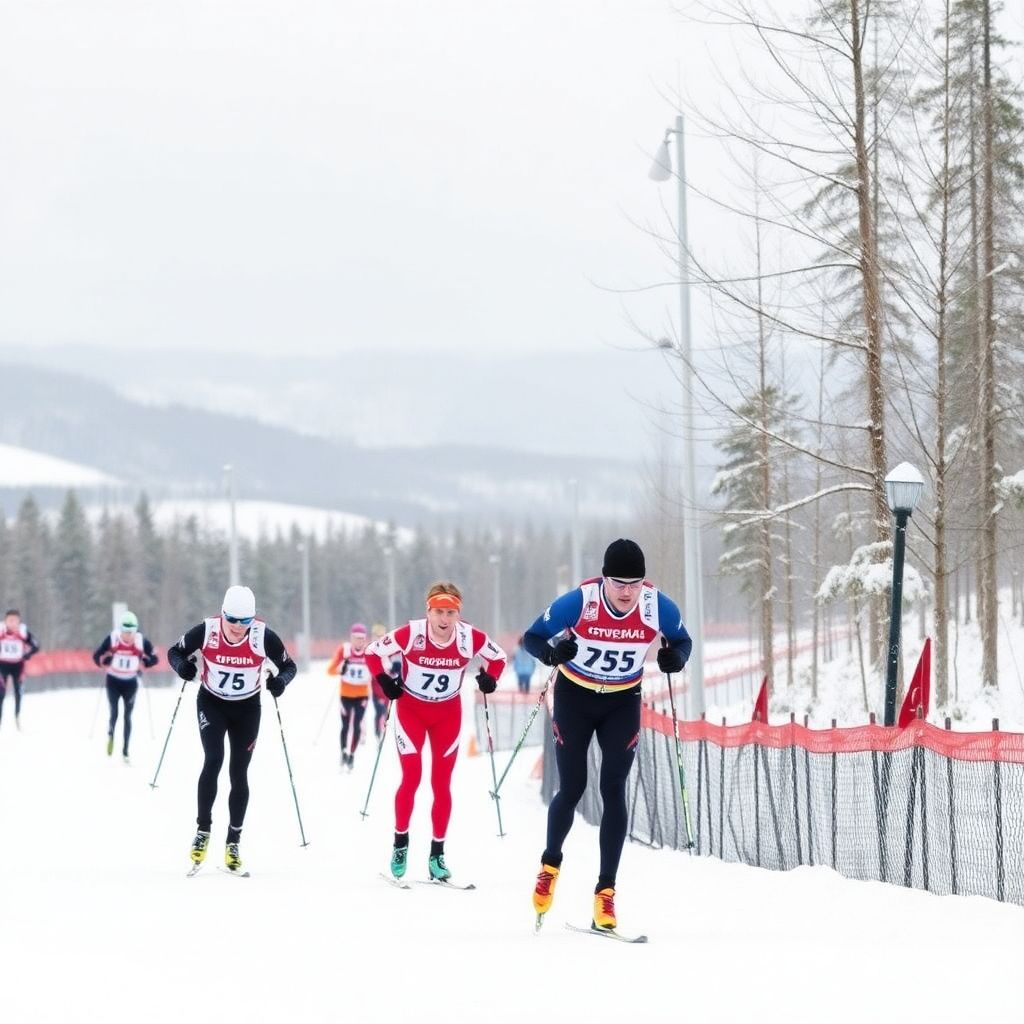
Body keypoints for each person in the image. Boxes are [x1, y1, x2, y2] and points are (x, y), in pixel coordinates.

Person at [522, 539, 691, 932]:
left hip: (622, 702)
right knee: (572, 787)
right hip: (575, 698)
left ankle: (605, 893)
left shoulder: (658, 607)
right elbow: (532, 636)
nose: (627, 592)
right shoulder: (579, 602)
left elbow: (684, 641)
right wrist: (552, 654)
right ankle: (550, 866)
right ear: (604, 579)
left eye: (635, 583)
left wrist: (677, 658)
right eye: (619, 583)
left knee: (613, 789)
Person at [364, 582, 507, 883]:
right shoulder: (411, 633)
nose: (444, 619)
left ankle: (437, 855)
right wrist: (384, 680)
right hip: (411, 712)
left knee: (441, 784)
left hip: (447, 716)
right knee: (412, 777)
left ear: (458, 614)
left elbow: (499, 658)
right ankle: (400, 844)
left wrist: (490, 679)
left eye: (450, 613)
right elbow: (372, 652)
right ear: (428, 611)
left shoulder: (469, 637)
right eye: (439, 612)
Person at [167, 585, 297, 874]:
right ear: (223, 614)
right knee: (213, 759)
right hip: (211, 703)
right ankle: (203, 830)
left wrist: (280, 682)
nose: (238, 627)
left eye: (245, 621)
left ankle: (233, 842)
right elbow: (174, 652)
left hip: (247, 709)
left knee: (239, 772)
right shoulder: (207, 631)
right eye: (232, 620)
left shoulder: (264, 636)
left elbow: (290, 667)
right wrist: (182, 667)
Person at [91, 610, 159, 762]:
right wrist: (104, 662)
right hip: (113, 681)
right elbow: (96, 656)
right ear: (120, 630)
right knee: (114, 713)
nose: (128, 636)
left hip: (131, 683)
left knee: (127, 715)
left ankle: (125, 751)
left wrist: (147, 662)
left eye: (131, 632)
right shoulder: (113, 638)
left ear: (135, 630)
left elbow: (155, 658)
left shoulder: (141, 641)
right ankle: (111, 735)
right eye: (125, 632)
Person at [326, 622, 371, 770]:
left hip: (362, 696)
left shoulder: (369, 651)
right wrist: (341, 669)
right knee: (345, 725)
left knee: (357, 725)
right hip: (346, 695)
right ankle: (343, 752)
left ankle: (352, 754)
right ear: (351, 638)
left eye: (362, 638)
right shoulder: (344, 651)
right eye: (357, 638)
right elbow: (330, 670)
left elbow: (377, 670)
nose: (359, 641)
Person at [0, 609, 40, 729]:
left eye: (15, 620)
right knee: (1, 693)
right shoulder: (1, 630)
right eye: (10, 620)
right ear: (5, 621)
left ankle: (17, 717)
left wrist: (27, 655)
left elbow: (36, 645)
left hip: (18, 666)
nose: (12, 623)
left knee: (18, 692)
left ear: (19, 621)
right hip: (2, 665)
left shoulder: (23, 632)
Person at [368, 624, 395, 739]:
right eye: (377, 636)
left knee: (385, 712)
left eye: (382, 636)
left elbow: (394, 668)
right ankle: (378, 733)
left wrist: (394, 670)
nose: (379, 638)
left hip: (387, 690)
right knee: (379, 711)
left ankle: (383, 732)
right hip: (376, 689)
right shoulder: (371, 651)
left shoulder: (389, 651)